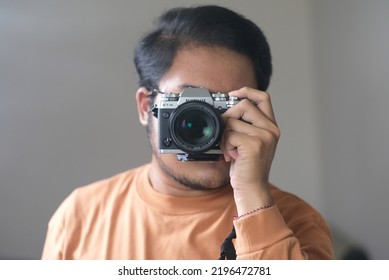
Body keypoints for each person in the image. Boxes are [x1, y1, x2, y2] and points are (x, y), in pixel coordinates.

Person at [42, 5, 334, 260]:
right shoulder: (79, 217)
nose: (210, 124)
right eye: (190, 104)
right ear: (146, 107)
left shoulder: (298, 224)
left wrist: (253, 198)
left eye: (227, 105)